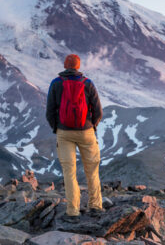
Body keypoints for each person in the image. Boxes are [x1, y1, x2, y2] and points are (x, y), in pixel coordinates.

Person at [46, 53, 104, 223]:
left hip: (64, 133)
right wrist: (92, 126)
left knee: (69, 173)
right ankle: (95, 207)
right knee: (92, 171)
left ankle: (73, 212)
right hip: (86, 132)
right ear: (78, 66)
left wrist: (57, 128)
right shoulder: (88, 83)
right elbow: (98, 111)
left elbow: (50, 110)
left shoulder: (56, 83)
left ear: (65, 66)